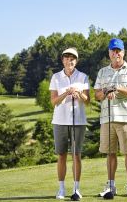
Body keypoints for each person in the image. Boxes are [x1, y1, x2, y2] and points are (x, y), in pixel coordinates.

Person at [94, 38, 127, 197]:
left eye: (118, 51)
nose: (116, 53)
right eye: (113, 51)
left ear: (123, 52)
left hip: (126, 118)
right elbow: (97, 95)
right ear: (109, 52)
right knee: (110, 153)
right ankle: (111, 186)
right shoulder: (102, 72)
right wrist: (106, 92)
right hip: (107, 118)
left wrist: (117, 88)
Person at [49, 47, 90, 200]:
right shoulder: (56, 77)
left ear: (76, 61)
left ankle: (76, 188)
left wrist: (78, 94)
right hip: (59, 121)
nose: (69, 60)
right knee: (61, 155)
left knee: (76, 155)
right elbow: (53, 101)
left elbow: (87, 101)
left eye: (72, 58)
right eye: (66, 58)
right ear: (62, 60)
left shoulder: (83, 77)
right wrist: (66, 93)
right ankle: (61, 188)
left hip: (78, 121)